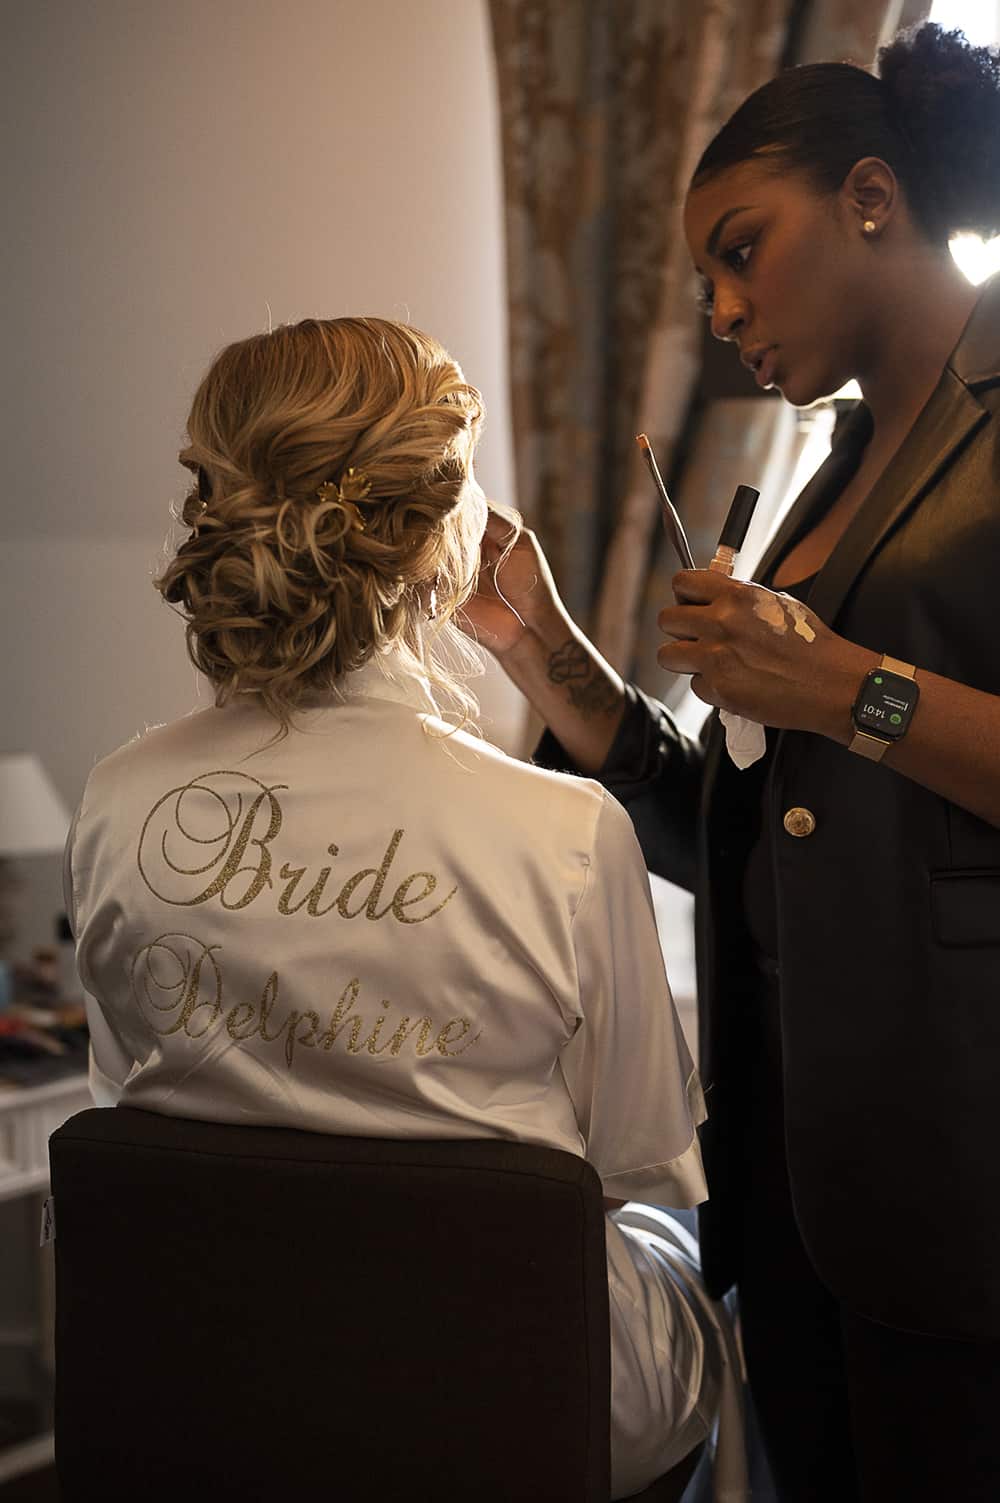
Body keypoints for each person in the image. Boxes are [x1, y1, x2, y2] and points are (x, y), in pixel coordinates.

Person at [63, 316, 747, 1500]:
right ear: (440, 534)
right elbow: (638, 1159)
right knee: (683, 1258)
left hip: (222, 1380)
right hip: (513, 1392)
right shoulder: (564, 832)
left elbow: (135, 1094)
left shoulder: (119, 798)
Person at [463, 21, 1000, 1503]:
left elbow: (846, 713)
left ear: (871, 198)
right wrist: (549, 654)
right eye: (708, 282)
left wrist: (838, 685)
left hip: (969, 1173)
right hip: (804, 1173)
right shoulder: (834, 471)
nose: (720, 311)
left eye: (742, 252)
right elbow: (757, 826)